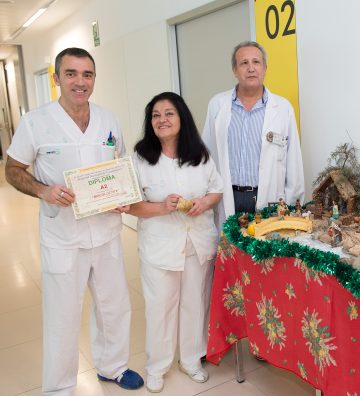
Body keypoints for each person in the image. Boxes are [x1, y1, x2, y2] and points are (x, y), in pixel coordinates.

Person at [4, 47, 143, 395]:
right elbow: (13, 170)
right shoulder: (36, 122)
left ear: (94, 79)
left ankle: (113, 367)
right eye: (71, 74)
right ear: (56, 79)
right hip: (63, 236)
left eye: (87, 74)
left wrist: (123, 195)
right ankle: (60, 387)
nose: (80, 82)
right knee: (63, 316)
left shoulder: (108, 119)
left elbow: (118, 163)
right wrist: (43, 190)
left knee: (114, 306)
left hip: (107, 233)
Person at [128, 92, 223, 393]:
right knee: (160, 307)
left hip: (197, 242)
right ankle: (158, 366)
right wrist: (162, 207)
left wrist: (203, 203)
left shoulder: (200, 154)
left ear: (181, 118)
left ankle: (192, 360)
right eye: (156, 115)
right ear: (150, 122)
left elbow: (216, 190)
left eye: (169, 113)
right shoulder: (140, 158)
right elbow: (131, 205)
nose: (162, 120)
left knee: (195, 303)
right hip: (160, 245)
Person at [203, 41, 305, 227]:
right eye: (244, 63)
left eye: (256, 62)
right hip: (228, 197)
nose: (251, 68)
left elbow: (294, 162)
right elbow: (206, 155)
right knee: (230, 253)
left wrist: (292, 205)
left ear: (265, 68)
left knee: (264, 254)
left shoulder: (282, 108)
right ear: (234, 70)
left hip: (268, 198)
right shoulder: (217, 105)